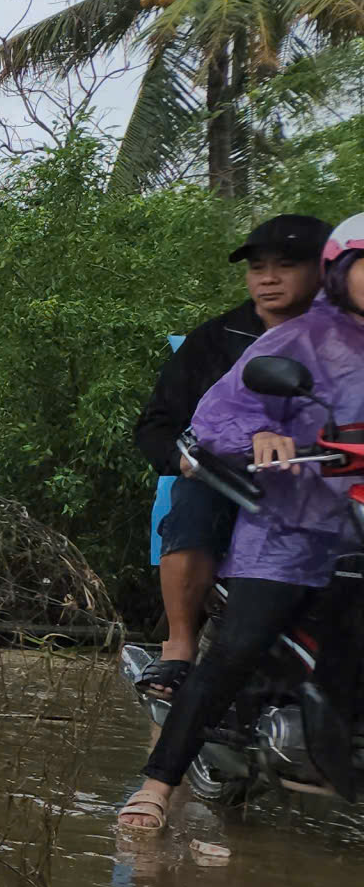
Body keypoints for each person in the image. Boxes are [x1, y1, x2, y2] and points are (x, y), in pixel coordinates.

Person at [119, 212, 364, 830]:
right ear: (340, 272)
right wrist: (262, 434)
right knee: (237, 647)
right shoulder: (294, 342)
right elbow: (212, 420)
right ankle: (156, 787)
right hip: (293, 525)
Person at [130, 214, 329, 699]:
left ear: (326, 271)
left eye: (285, 266)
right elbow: (156, 426)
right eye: (257, 267)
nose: (267, 278)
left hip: (322, 481)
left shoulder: (344, 338)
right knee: (196, 508)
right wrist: (186, 460)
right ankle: (179, 646)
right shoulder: (215, 340)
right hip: (227, 479)